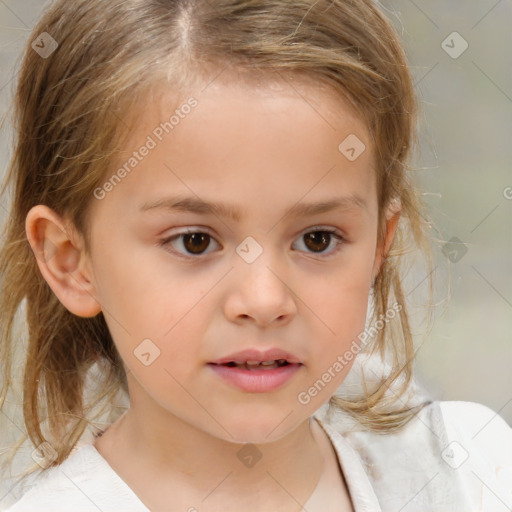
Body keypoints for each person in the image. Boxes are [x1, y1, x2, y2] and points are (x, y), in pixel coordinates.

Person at [0, 0, 510, 510]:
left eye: (317, 239)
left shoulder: (473, 474)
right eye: (194, 241)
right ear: (70, 260)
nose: (265, 300)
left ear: (380, 244)